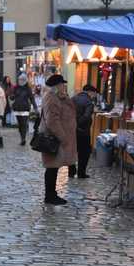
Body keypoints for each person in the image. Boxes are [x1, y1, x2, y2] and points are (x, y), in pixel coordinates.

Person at [40, 74, 77, 205]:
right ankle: (50, 195)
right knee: (52, 167)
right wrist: (62, 136)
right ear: (57, 86)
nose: (64, 86)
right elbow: (52, 121)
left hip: (57, 138)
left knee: (54, 167)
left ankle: (52, 193)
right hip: (54, 138)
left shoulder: (57, 97)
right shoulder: (51, 98)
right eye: (62, 84)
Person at [68, 85, 97, 179]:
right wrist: (79, 124)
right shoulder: (89, 102)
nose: (94, 96)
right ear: (90, 92)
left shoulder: (73, 99)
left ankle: (71, 171)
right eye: (94, 94)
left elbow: (67, 113)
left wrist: (73, 124)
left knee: (72, 151)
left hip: (71, 130)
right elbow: (87, 116)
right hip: (83, 131)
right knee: (84, 152)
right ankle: (81, 172)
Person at [11, 73, 37, 145]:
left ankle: (23, 139)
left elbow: (32, 98)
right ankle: (22, 137)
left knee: (24, 123)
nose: (21, 81)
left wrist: (35, 107)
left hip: (25, 108)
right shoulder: (16, 87)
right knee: (20, 124)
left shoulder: (28, 88)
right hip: (17, 108)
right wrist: (12, 96)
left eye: (22, 80)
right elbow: (12, 97)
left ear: (25, 80)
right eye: (20, 79)